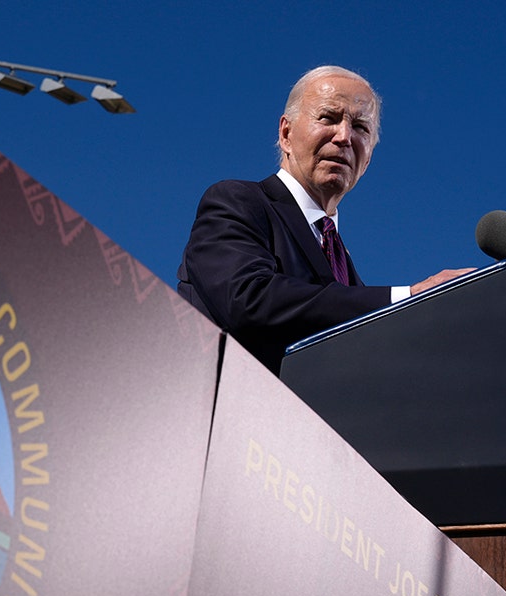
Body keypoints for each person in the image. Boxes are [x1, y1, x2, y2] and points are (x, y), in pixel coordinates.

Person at [177, 65, 472, 373]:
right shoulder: (238, 202)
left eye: (361, 127)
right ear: (286, 134)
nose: (344, 136)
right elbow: (248, 300)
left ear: (368, 157)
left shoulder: (344, 266)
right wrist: (407, 297)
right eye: (328, 118)